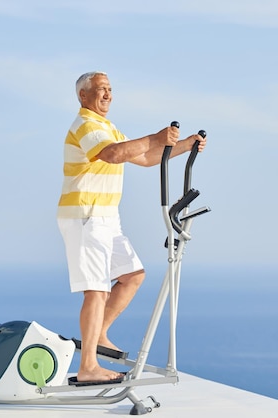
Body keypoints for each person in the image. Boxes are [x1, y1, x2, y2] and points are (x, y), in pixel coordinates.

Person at [57, 71, 207, 383]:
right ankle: (88, 368)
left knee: (132, 276)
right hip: (86, 216)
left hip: (106, 218)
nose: (108, 94)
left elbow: (146, 156)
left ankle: (98, 335)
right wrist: (156, 136)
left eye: (110, 89)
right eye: (101, 89)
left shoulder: (107, 127)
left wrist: (185, 146)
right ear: (83, 96)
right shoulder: (86, 124)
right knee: (96, 290)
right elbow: (112, 154)